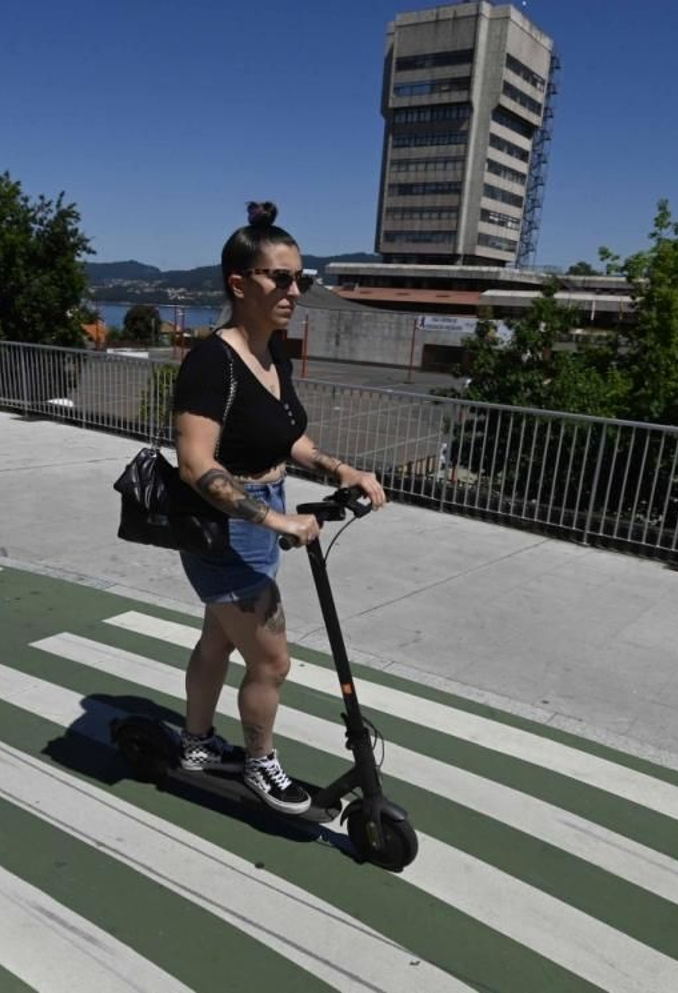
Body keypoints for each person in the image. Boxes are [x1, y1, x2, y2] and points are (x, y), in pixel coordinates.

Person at [171, 201, 388, 814]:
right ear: (240, 284)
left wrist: (341, 468)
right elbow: (197, 466)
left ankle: (195, 743)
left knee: (218, 639)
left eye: (302, 279)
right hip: (223, 527)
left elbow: (283, 437)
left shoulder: (274, 356)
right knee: (272, 660)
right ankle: (260, 765)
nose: (295, 290)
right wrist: (275, 519)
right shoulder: (213, 363)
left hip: (264, 509)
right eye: (281, 278)